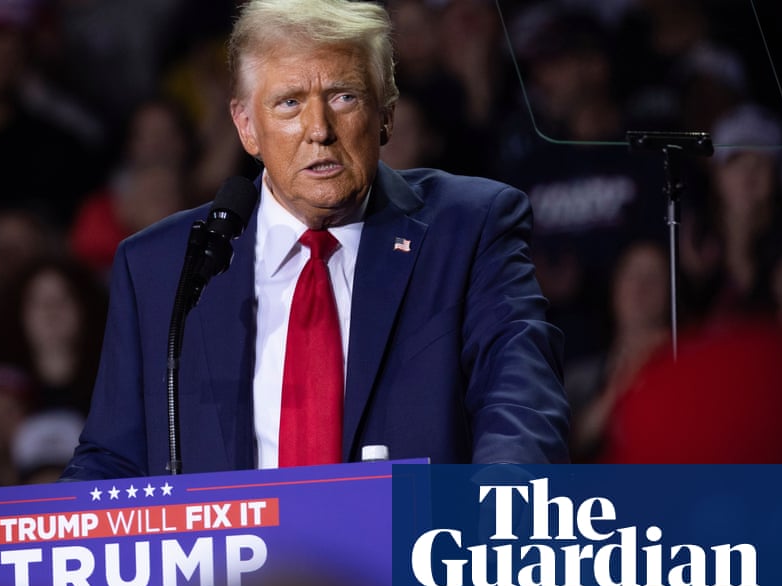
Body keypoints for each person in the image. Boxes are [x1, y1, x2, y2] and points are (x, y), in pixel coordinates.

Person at [62, 0, 568, 480]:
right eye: (289, 103)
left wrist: (498, 506)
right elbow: (111, 459)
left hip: (418, 539)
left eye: (344, 96)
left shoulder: (468, 229)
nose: (319, 129)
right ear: (246, 127)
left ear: (386, 113)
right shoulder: (162, 266)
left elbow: (520, 404)